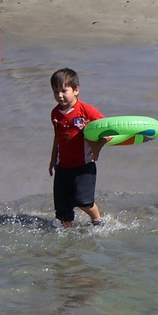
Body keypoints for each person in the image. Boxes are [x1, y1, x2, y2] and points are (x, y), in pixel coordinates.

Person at [49, 67, 104, 227]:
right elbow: (57, 137)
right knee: (62, 208)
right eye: (55, 91)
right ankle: (68, 234)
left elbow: (108, 131)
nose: (59, 95)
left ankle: (97, 221)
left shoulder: (86, 111)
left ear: (76, 90)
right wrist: (53, 159)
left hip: (83, 166)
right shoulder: (55, 113)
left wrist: (97, 147)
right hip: (63, 166)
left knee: (83, 201)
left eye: (64, 91)